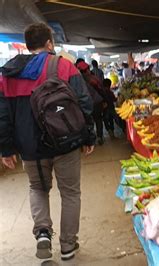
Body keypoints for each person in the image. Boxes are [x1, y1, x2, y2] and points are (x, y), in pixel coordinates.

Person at [0, 22, 95, 260]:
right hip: (65, 143)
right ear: (49, 43)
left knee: (37, 188)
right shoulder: (63, 66)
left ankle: (43, 233)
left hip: (30, 148)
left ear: (27, 45)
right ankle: (68, 246)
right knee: (70, 193)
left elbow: (3, 115)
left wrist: (6, 149)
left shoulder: (8, 75)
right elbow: (84, 103)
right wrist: (89, 136)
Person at [77, 61, 107, 145]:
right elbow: (101, 90)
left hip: (84, 104)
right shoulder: (93, 79)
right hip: (96, 102)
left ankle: (90, 140)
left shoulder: (77, 81)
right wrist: (105, 100)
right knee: (98, 120)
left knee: (88, 122)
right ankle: (100, 137)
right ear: (87, 70)